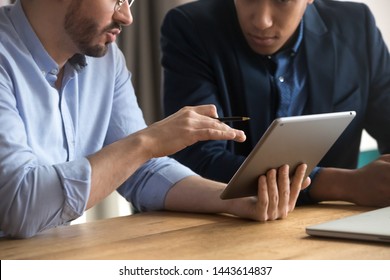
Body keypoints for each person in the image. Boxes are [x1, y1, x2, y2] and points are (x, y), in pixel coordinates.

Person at [0, 0, 311, 238]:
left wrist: (230, 200)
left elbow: (141, 170)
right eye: (117, 0)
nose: (127, 17)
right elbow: (19, 206)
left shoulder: (105, 61)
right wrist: (148, 142)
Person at [161, 0, 390, 207]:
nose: (262, 21)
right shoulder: (192, 28)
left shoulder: (356, 25)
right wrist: (343, 185)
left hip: (336, 222)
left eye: (282, 1)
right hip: (224, 224)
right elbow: (196, 159)